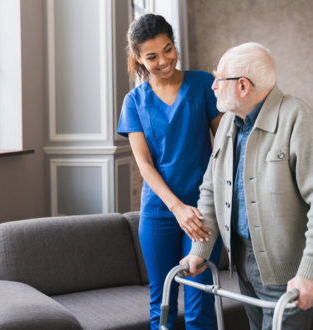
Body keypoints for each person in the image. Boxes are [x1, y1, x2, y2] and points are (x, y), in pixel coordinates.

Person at [181, 42, 313, 330]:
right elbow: (211, 191)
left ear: (242, 86)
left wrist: (309, 273)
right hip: (242, 263)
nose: (213, 86)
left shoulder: (297, 117)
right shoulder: (229, 122)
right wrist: (199, 251)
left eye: (219, 78)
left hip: (288, 274)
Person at [117, 14, 223, 330]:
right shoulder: (133, 101)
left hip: (203, 213)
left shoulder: (203, 84)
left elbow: (223, 147)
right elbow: (144, 165)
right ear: (137, 58)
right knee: (161, 304)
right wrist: (176, 208)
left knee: (199, 304)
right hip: (158, 213)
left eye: (168, 49)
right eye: (152, 56)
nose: (164, 60)